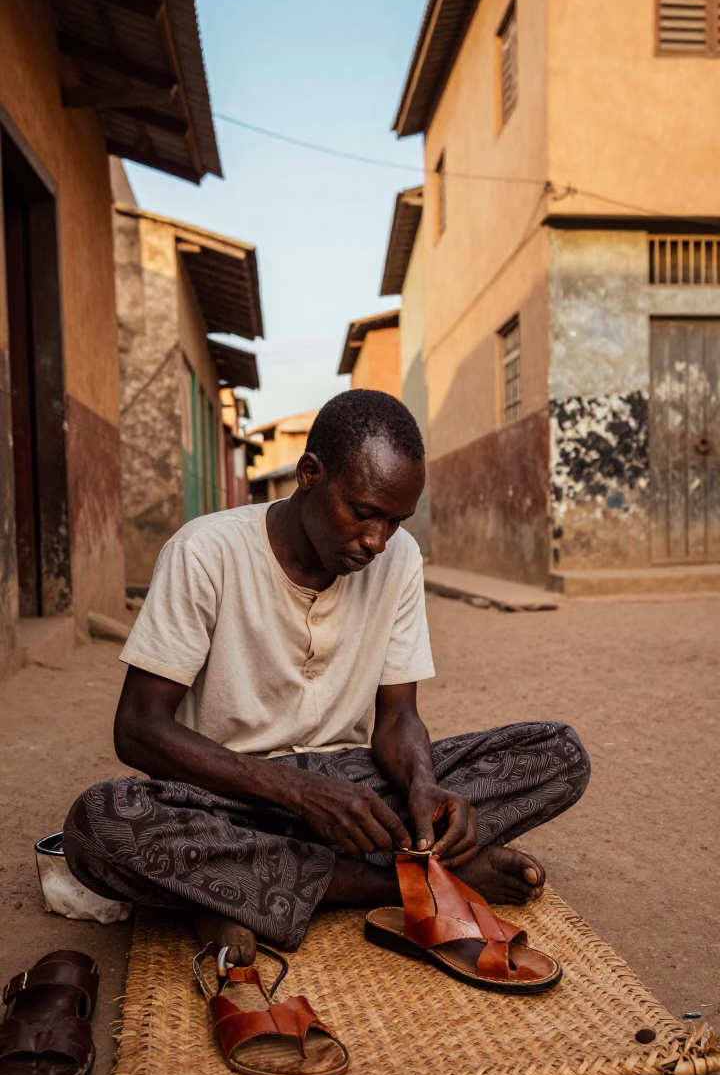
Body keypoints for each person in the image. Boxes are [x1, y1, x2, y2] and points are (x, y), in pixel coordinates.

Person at [63, 390, 590, 966]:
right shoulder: (205, 552)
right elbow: (138, 730)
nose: (377, 541)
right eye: (363, 513)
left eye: (396, 521)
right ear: (309, 473)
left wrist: (422, 785)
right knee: (98, 823)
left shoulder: (400, 558)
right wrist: (295, 791)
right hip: (223, 797)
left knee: (557, 752)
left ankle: (235, 888)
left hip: (355, 796)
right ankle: (405, 884)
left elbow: (398, 719)